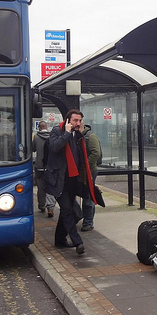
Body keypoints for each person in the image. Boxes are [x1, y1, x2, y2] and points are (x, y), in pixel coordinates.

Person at [45, 109, 93, 255]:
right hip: (59, 180)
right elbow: (54, 147)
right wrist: (66, 133)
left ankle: (60, 239)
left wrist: (79, 133)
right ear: (67, 121)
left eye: (79, 121)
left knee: (71, 211)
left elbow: (80, 156)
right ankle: (78, 242)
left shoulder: (77, 135)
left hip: (73, 180)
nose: (78, 123)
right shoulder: (56, 131)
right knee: (67, 210)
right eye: (75, 121)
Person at [80, 123, 101, 231]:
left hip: (89, 171)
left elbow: (96, 153)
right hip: (78, 172)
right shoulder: (75, 136)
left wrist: (86, 165)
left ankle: (88, 222)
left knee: (88, 196)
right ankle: (81, 216)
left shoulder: (90, 137)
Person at [32, 122, 56, 217]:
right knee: (50, 187)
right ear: (46, 127)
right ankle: (50, 208)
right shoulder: (52, 137)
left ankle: (42, 205)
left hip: (40, 166)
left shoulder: (36, 138)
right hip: (50, 167)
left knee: (40, 187)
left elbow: (33, 149)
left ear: (39, 127)